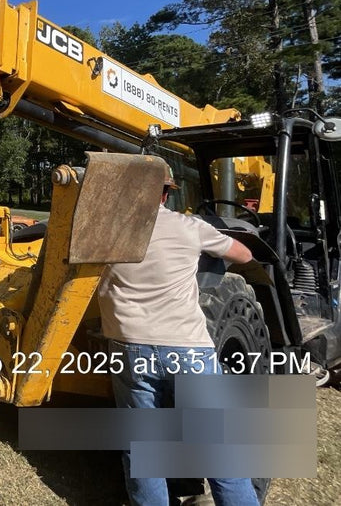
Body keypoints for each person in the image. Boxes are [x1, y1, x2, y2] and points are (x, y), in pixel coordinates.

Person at [97, 162, 258, 506]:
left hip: (129, 348)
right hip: (188, 351)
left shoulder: (107, 228)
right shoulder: (189, 226)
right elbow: (243, 254)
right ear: (166, 193)